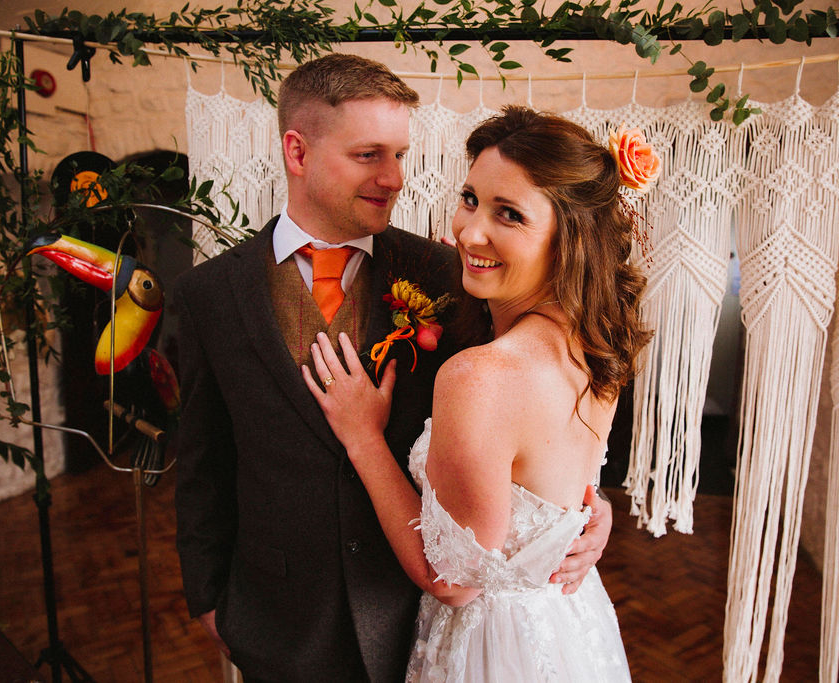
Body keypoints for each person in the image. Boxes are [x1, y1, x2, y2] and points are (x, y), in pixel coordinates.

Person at [173, 54, 613, 682]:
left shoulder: (452, 276)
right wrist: (210, 603)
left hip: (414, 616)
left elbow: (537, 427)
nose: (394, 177)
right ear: (297, 153)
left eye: (400, 154)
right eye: (368, 155)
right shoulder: (209, 295)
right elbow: (202, 463)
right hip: (278, 619)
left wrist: (588, 516)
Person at [303, 106, 650, 681]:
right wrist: (594, 516)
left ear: (572, 239)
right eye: (470, 199)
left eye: (508, 214)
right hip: (568, 628)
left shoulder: (481, 376)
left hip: (493, 650)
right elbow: (561, 491)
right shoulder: (596, 345)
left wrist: (364, 438)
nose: (468, 232)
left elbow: (453, 582)